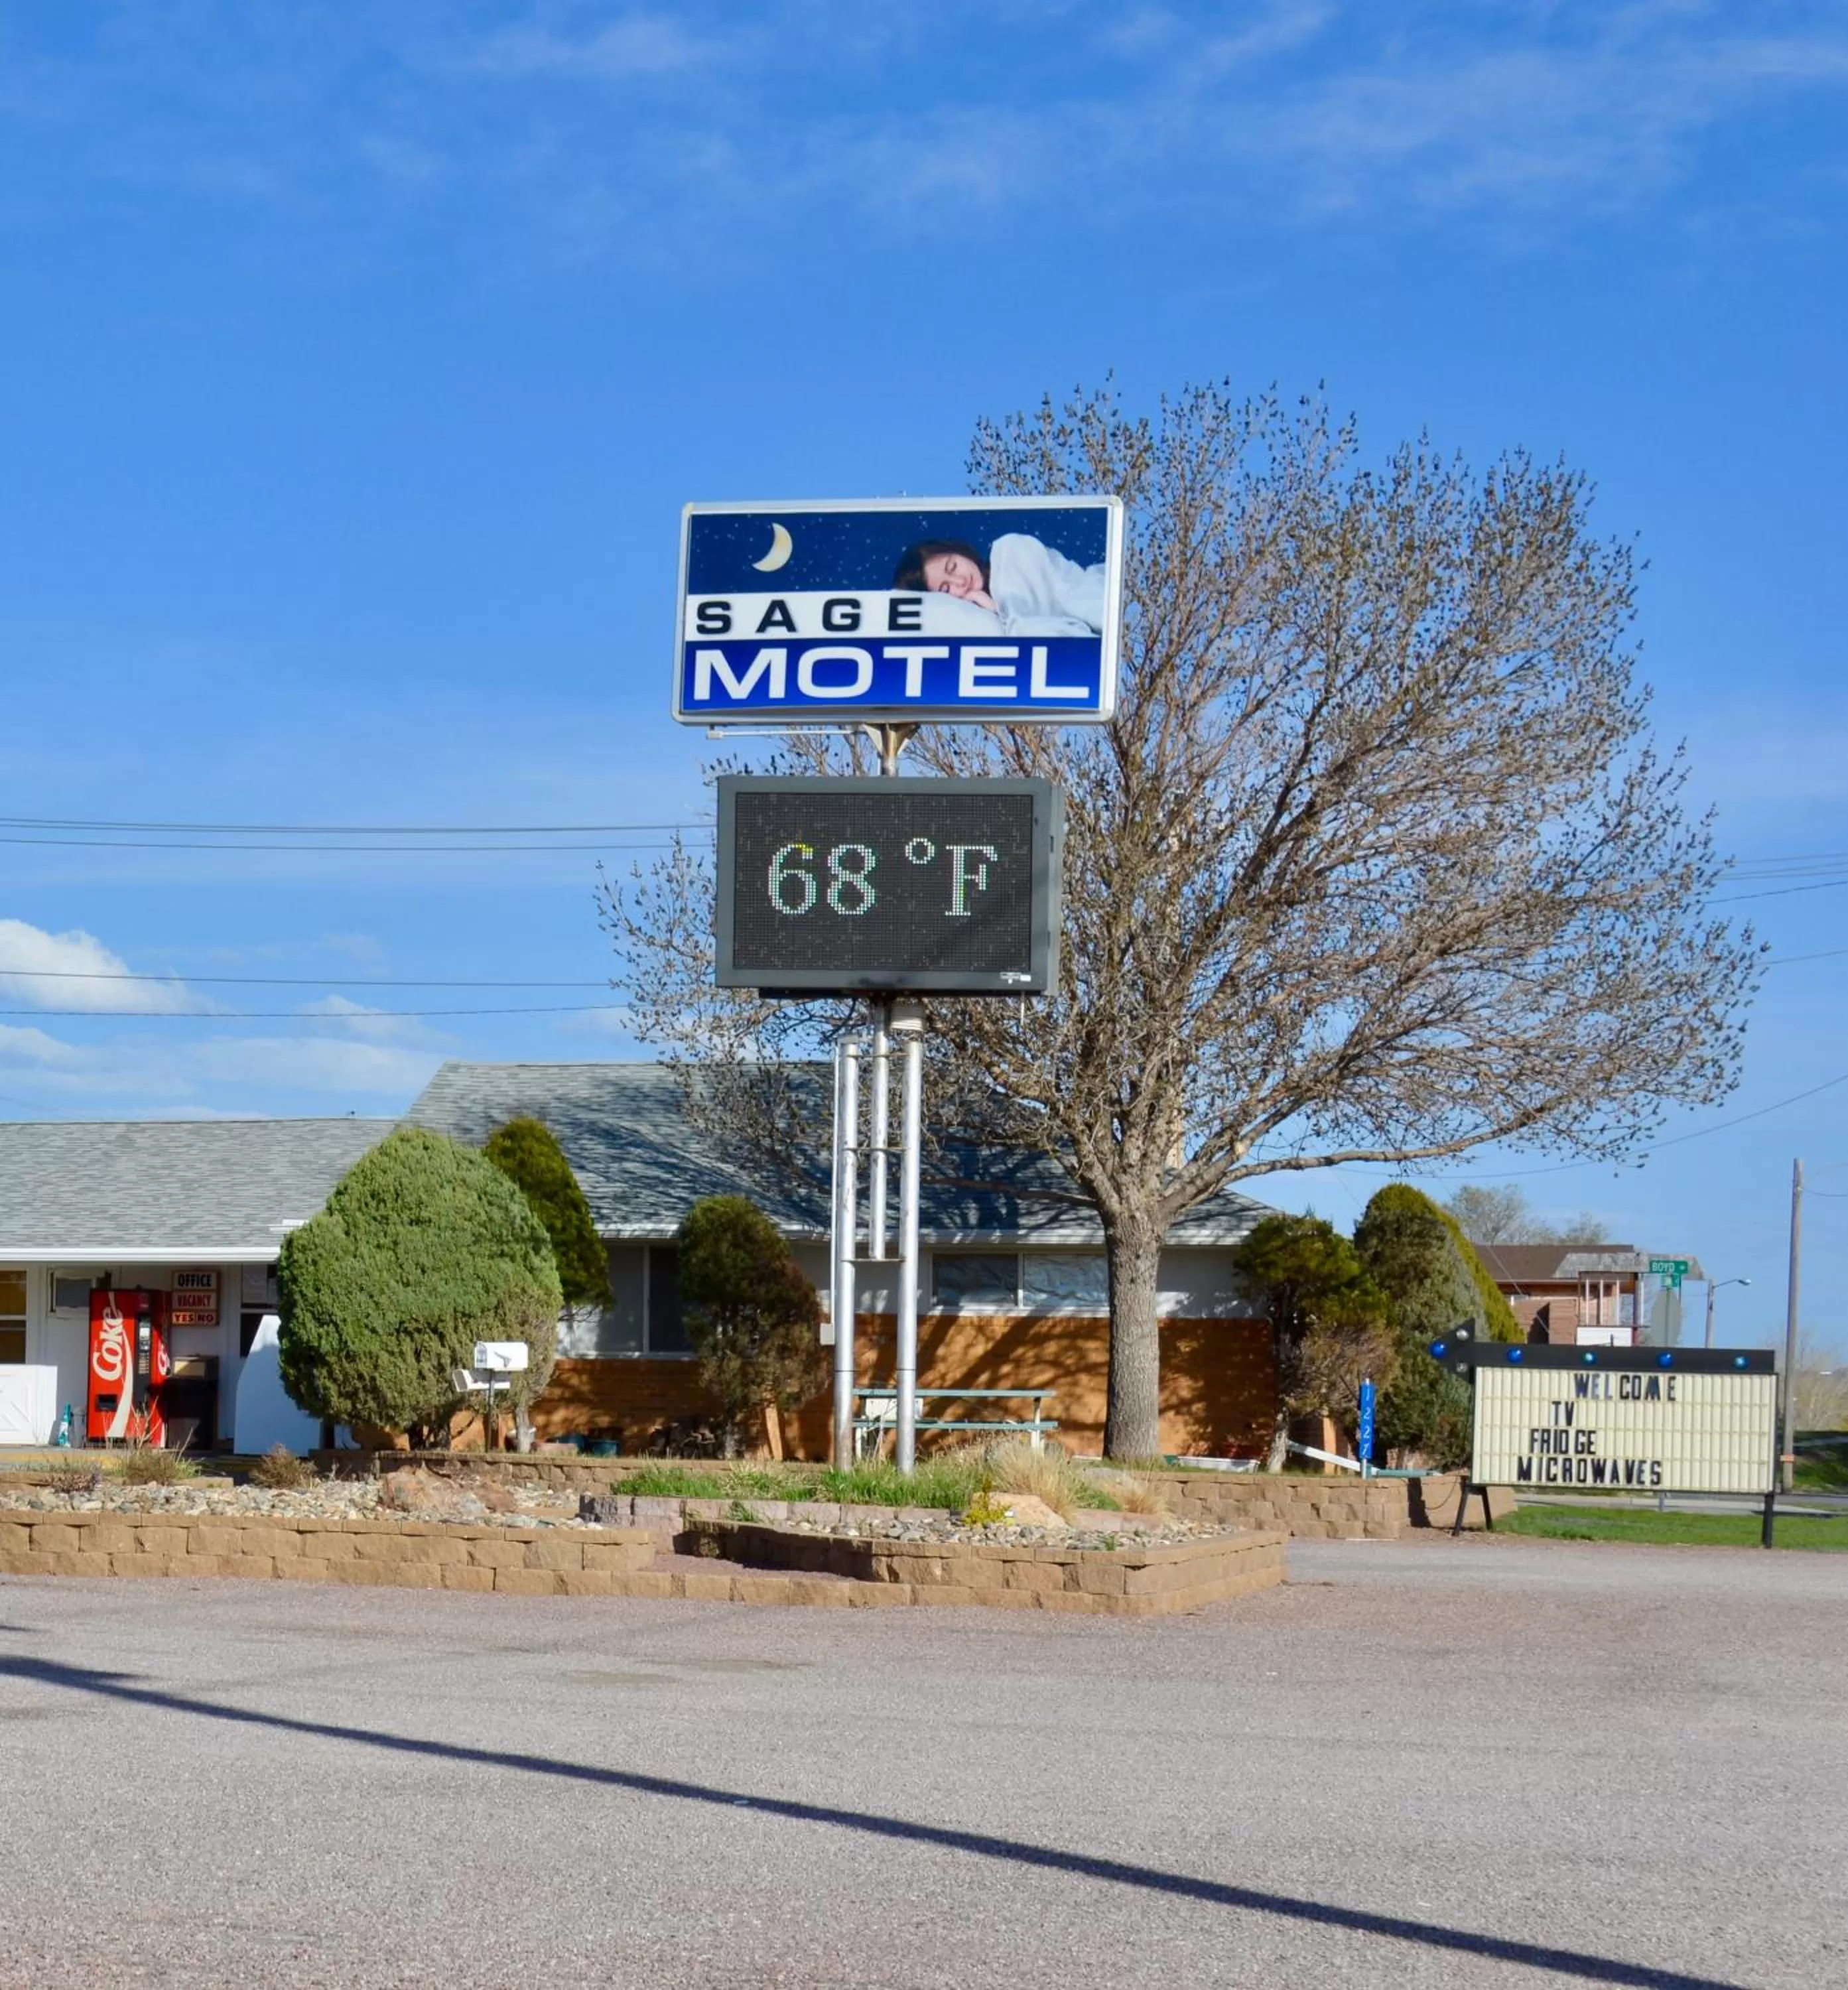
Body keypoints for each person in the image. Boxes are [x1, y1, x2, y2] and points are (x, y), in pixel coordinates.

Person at [893, 532, 1106, 635]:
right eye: (946, 589)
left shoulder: (1010, 554)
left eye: (953, 567)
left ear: (960, 552)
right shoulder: (975, 629)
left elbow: (1077, 598)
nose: (960, 582)